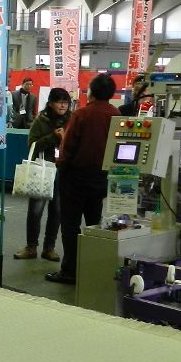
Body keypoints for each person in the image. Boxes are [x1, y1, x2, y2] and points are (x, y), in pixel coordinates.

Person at [45, 73, 119, 285]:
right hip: (101, 177)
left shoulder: (81, 114)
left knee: (71, 226)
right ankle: (93, 269)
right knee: (94, 225)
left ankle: (70, 271)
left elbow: (68, 146)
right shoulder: (115, 114)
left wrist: (61, 165)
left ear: (91, 92)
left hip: (75, 177)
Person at [13, 88, 72, 262]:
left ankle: (49, 248)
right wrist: (52, 137)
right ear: (51, 103)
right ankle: (31, 247)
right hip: (42, 170)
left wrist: (64, 139)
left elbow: (75, 143)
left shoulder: (72, 120)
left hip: (62, 170)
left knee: (57, 211)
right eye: (59, 102)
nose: (63, 105)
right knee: (35, 210)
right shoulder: (41, 120)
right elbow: (32, 144)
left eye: (66, 102)